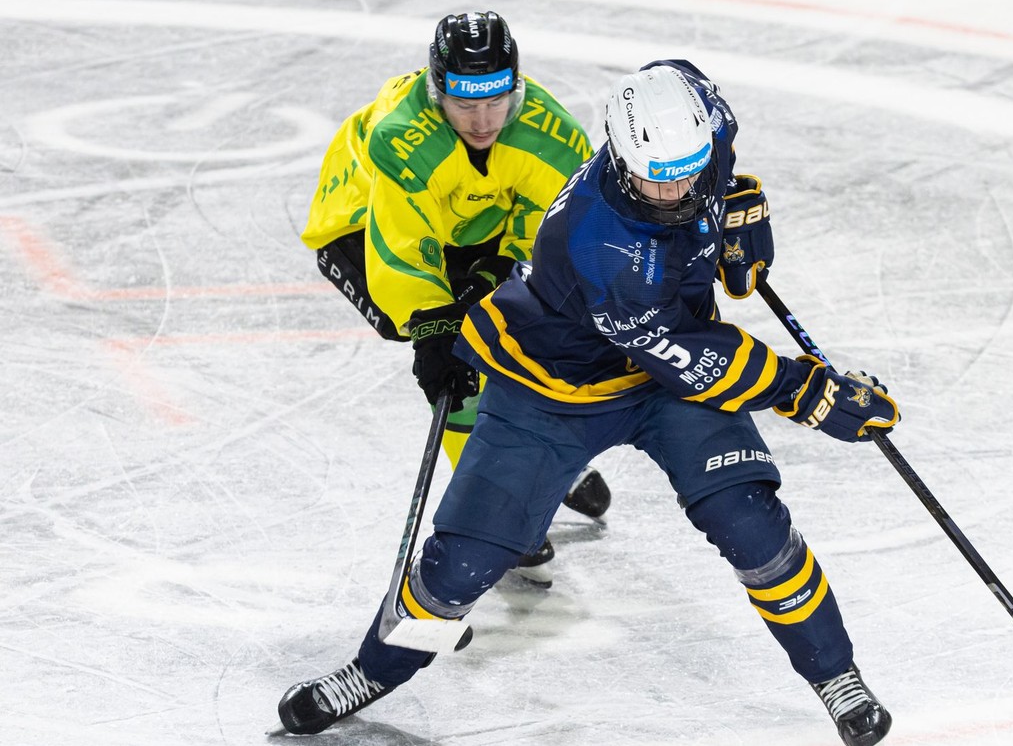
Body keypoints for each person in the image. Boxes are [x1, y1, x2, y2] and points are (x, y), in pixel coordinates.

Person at [278, 61, 901, 746]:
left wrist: (735, 214)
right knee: (458, 568)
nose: (675, 189)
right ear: (620, 154)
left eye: (691, 170)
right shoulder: (598, 239)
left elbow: (711, 172)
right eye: (657, 177)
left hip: (662, 379)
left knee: (751, 523)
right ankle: (374, 668)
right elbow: (694, 356)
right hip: (554, 388)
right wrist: (807, 390)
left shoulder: (703, 127)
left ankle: (835, 674)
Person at [297, 11, 612, 586]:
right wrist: (434, 328)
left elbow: (555, 226)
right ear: (435, 89)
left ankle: (538, 459)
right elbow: (400, 251)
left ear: (516, 85)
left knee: (523, 322)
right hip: (364, 223)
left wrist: (499, 267)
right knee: (457, 358)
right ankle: (494, 502)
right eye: (465, 103)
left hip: (472, 220)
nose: (483, 119)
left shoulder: (554, 135)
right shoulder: (402, 139)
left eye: (497, 101)